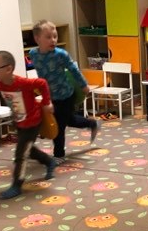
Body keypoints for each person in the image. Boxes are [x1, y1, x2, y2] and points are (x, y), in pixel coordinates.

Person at [0, 51, 56, 199]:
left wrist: (46, 103)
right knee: (28, 150)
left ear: (8, 69)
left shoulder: (23, 83)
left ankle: (17, 185)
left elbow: (42, 83)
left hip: (32, 122)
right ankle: (49, 161)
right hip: (19, 122)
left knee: (20, 154)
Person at [28, 20, 98, 163]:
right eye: (48, 37)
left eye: (55, 36)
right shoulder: (33, 54)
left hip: (66, 95)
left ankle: (59, 154)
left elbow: (74, 70)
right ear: (37, 39)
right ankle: (92, 124)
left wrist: (84, 86)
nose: (53, 40)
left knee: (59, 125)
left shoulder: (61, 54)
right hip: (50, 96)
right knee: (69, 120)